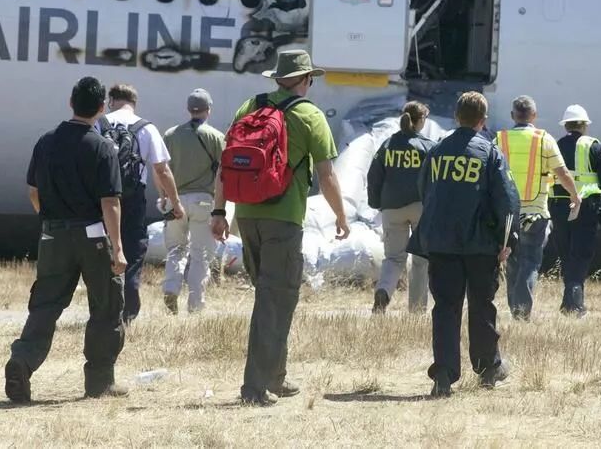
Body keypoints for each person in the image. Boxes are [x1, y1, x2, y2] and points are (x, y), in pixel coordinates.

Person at [210, 49, 350, 406]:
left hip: (246, 217)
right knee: (275, 301)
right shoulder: (309, 115)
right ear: (305, 79)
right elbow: (326, 175)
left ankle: (276, 376)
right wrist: (341, 215)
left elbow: (226, 165)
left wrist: (219, 210)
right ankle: (255, 387)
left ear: (277, 78)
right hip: (283, 219)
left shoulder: (250, 107)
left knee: (272, 297)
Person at [5, 76, 128, 402]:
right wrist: (117, 248)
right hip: (93, 235)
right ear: (101, 108)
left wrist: (50, 222)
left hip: (52, 234)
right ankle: (99, 382)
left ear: (71, 103)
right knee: (106, 305)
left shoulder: (45, 142)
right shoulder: (102, 147)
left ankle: (22, 360)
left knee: (45, 304)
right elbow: (110, 202)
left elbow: (33, 192)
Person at [408, 91, 520, 398]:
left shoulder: (436, 151)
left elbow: (424, 190)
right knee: (482, 305)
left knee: (445, 307)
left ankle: (444, 374)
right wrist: (508, 239)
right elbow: (507, 200)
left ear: (457, 117)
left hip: (442, 243)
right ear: (483, 120)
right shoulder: (490, 153)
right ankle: (488, 369)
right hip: (480, 246)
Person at [101, 84, 183, 324]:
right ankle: (127, 312)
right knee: (133, 250)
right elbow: (162, 170)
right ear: (134, 103)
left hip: (102, 197)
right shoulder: (146, 128)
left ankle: (103, 309)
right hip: (133, 196)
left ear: (111, 100)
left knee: (103, 250)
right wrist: (175, 202)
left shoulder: (100, 124)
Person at [496, 95, 581, 320]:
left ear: (513, 115)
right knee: (530, 262)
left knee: (512, 263)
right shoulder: (544, 139)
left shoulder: (500, 139)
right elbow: (562, 173)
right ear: (534, 115)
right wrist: (575, 196)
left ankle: (515, 310)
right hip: (536, 212)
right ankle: (521, 312)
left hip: (508, 214)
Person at [549, 105, 601, 316]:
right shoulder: (593, 147)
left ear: (566, 125)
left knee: (566, 254)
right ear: (584, 125)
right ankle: (574, 304)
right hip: (586, 208)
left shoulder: (555, 146)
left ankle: (569, 302)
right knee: (581, 255)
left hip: (559, 207)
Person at [161, 88, 226, 314]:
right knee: (200, 255)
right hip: (204, 201)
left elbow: (161, 170)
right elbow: (223, 174)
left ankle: (171, 287)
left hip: (175, 200)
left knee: (176, 248)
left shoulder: (170, 135)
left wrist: (164, 196)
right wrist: (222, 208)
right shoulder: (217, 137)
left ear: (188, 109)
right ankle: (195, 305)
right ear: (209, 110)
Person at [367, 101, 436, 313]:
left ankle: (384, 291)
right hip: (419, 207)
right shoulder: (427, 146)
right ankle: (416, 310)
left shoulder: (387, 145)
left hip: (391, 208)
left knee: (394, 258)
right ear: (421, 120)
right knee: (421, 260)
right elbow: (434, 179)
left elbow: (373, 176)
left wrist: (376, 203)